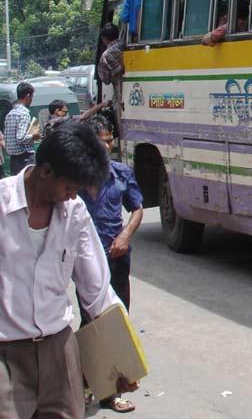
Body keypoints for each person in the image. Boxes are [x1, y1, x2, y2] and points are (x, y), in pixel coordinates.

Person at [0, 121, 138, 418]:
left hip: (59, 350)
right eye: (69, 187)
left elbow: (98, 291)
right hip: (6, 355)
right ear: (46, 171)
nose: (73, 196)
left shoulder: (75, 213)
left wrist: (121, 356)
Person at [78, 115, 144, 413]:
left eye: (109, 139)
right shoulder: (77, 177)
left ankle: (109, 389)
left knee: (117, 321)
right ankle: (89, 385)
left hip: (117, 258)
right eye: (101, 140)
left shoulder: (121, 173)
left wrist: (125, 236)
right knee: (90, 322)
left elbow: (138, 208)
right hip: (85, 262)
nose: (107, 145)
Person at [4, 82, 41, 176]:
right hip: (24, 158)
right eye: (32, 96)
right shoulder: (23, 114)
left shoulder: (10, 114)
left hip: (14, 159)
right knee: (27, 187)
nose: (32, 99)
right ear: (28, 95)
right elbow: (21, 138)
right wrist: (34, 136)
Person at [98, 23, 125, 130]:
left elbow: (106, 80)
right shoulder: (125, 44)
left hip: (121, 95)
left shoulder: (106, 55)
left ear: (104, 38)